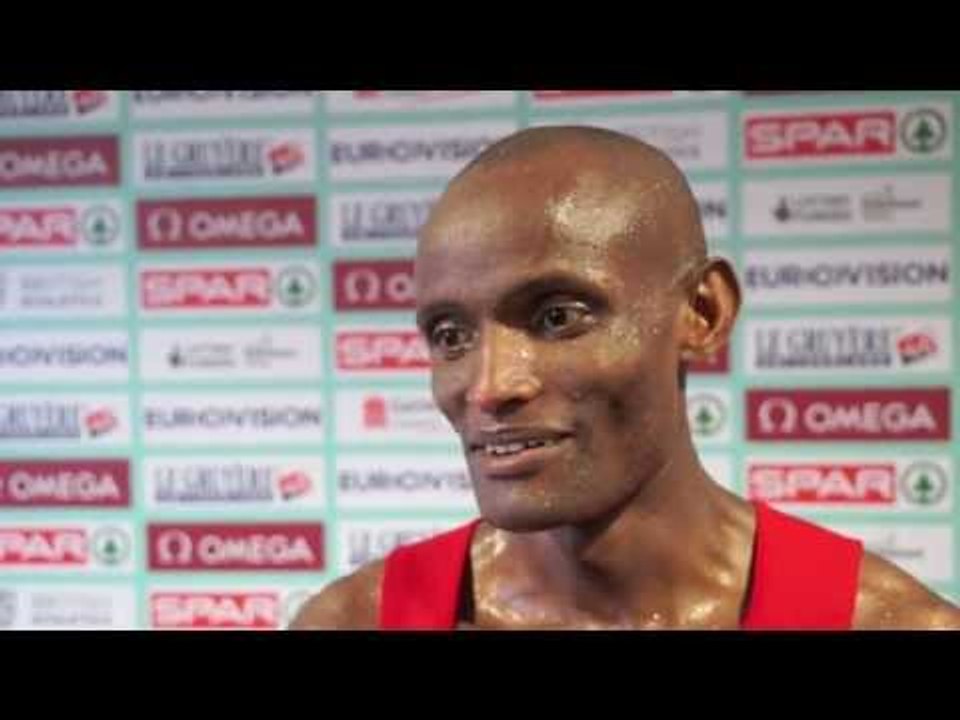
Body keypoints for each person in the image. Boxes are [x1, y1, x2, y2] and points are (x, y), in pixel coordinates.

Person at [292, 126, 960, 630]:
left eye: (557, 317)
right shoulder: (353, 618)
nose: (491, 385)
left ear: (702, 312)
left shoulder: (887, 619)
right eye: (450, 336)